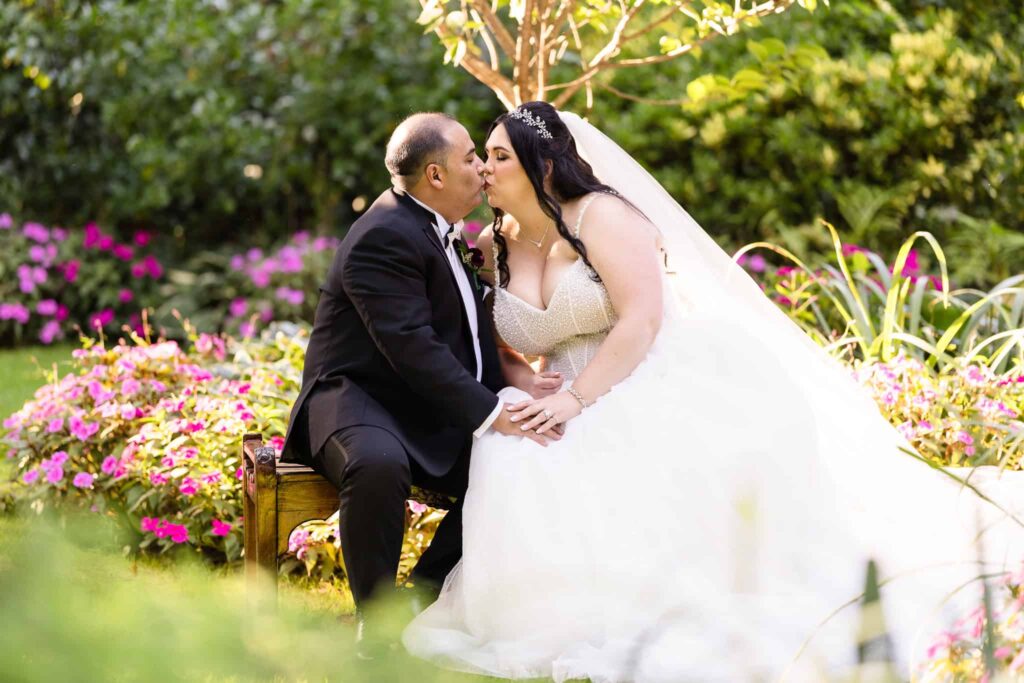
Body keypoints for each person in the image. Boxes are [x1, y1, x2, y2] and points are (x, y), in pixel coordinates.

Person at [402, 102, 1024, 681]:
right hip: (562, 389)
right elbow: (499, 341)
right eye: (481, 155)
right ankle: (532, 608)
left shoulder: (605, 219)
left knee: (604, 458)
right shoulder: (491, 244)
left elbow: (641, 319)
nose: (484, 168)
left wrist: (575, 399)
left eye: (499, 155)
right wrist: (524, 382)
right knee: (512, 449)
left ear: (541, 164)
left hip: (639, 374)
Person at [279, 112, 562, 653]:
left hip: (416, 402)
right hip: (354, 397)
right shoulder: (383, 236)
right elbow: (413, 348)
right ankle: (377, 624)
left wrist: (521, 380)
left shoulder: (446, 233)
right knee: (377, 463)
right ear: (435, 176)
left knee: (518, 466)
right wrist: (491, 412)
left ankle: (423, 598)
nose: (482, 169)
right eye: (470, 159)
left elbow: (472, 337)